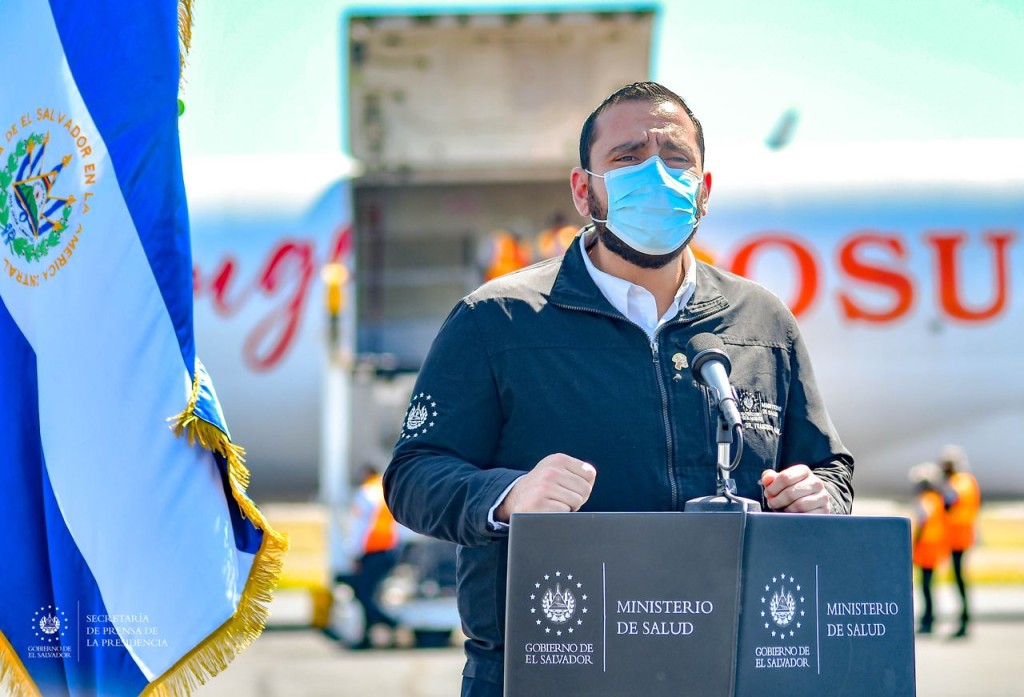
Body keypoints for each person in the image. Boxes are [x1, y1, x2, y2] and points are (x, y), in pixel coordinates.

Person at [384, 81, 854, 697]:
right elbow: (414, 476)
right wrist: (509, 496)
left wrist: (822, 496)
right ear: (585, 191)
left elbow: (830, 468)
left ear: (704, 192)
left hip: (730, 671)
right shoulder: (495, 320)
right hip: (549, 672)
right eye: (628, 159)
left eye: (677, 159)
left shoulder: (762, 323)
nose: (657, 175)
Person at [346, 465, 401, 649]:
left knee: (362, 593)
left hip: (372, 551)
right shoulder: (386, 490)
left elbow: (359, 526)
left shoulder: (365, 493)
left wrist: (353, 553)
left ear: (366, 474)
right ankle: (368, 635)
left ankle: (387, 622)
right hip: (389, 549)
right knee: (370, 593)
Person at [939, 445, 981, 638]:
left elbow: (950, 503)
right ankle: (965, 618)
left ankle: (964, 619)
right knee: (960, 579)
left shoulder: (957, 483)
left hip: (957, 537)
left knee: (959, 580)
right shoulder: (969, 481)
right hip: (964, 535)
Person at [909, 462, 950, 635]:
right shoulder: (937, 499)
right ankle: (929, 618)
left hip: (926, 547)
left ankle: (928, 620)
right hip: (935, 545)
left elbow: (923, 522)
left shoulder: (925, 500)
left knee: (925, 586)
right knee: (929, 585)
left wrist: (913, 546)